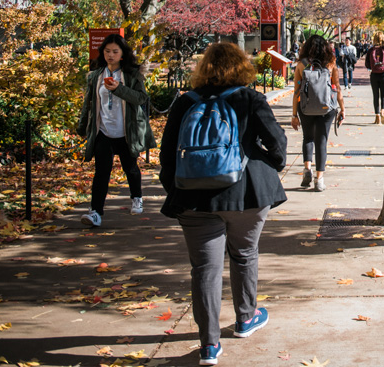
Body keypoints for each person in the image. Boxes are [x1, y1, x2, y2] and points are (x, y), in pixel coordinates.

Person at [158, 43, 287, 366]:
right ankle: (246, 317)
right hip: (246, 193)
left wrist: (178, 187)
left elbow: (166, 155)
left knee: (205, 269)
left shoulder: (184, 102)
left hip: (194, 198)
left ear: (203, 68)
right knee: (244, 254)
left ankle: (209, 346)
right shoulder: (250, 99)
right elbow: (277, 143)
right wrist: (268, 163)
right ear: (241, 66)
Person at [76, 34, 155, 227]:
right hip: (103, 131)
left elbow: (141, 99)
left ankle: (137, 196)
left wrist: (118, 88)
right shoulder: (96, 76)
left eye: (115, 52)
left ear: (122, 55)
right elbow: (89, 103)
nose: (110, 55)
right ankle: (95, 212)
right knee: (101, 172)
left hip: (127, 131)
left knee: (131, 168)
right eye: (107, 51)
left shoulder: (130, 75)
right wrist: (82, 126)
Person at [290, 34, 345, 192]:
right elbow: (337, 87)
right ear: (326, 47)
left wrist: (294, 115)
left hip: (305, 107)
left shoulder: (301, 64)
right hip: (326, 107)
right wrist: (342, 108)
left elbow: (296, 92)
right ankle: (319, 179)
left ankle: (307, 169)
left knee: (308, 137)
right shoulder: (331, 63)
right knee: (321, 141)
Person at [365, 30, 384, 124]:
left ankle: (377, 115)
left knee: (375, 95)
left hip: (374, 75)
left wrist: (372, 67)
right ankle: (383, 110)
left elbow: (367, 64)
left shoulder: (371, 50)